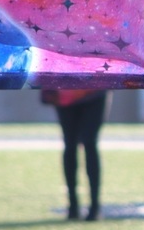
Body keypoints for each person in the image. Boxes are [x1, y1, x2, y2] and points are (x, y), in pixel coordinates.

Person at [41, 89, 110, 221]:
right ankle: (73, 205)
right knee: (70, 143)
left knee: (89, 142)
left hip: (95, 86)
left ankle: (94, 206)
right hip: (65, 87)